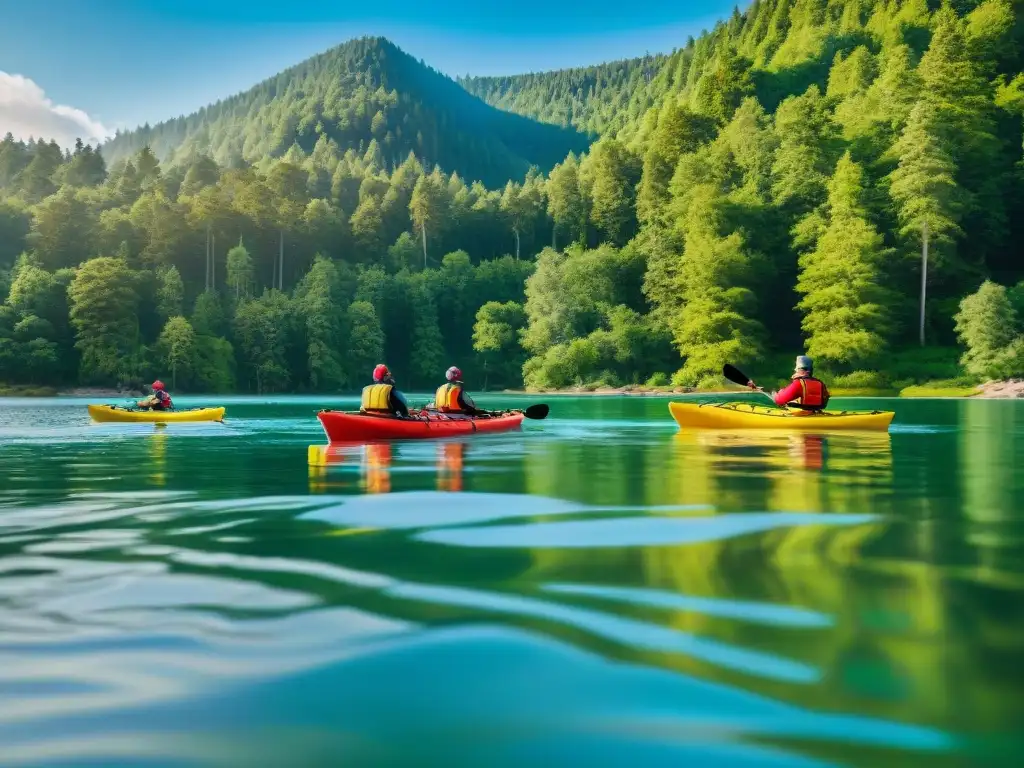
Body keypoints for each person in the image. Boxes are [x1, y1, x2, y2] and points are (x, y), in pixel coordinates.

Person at [748, 355, 830, 411]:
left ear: (802, 370)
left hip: (800, 416)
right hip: (815, 413)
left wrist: (773, 392)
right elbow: (824, 403)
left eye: (797, 369)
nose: (795, 371)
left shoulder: (798, 383)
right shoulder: (820, 383)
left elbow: (780, 400)